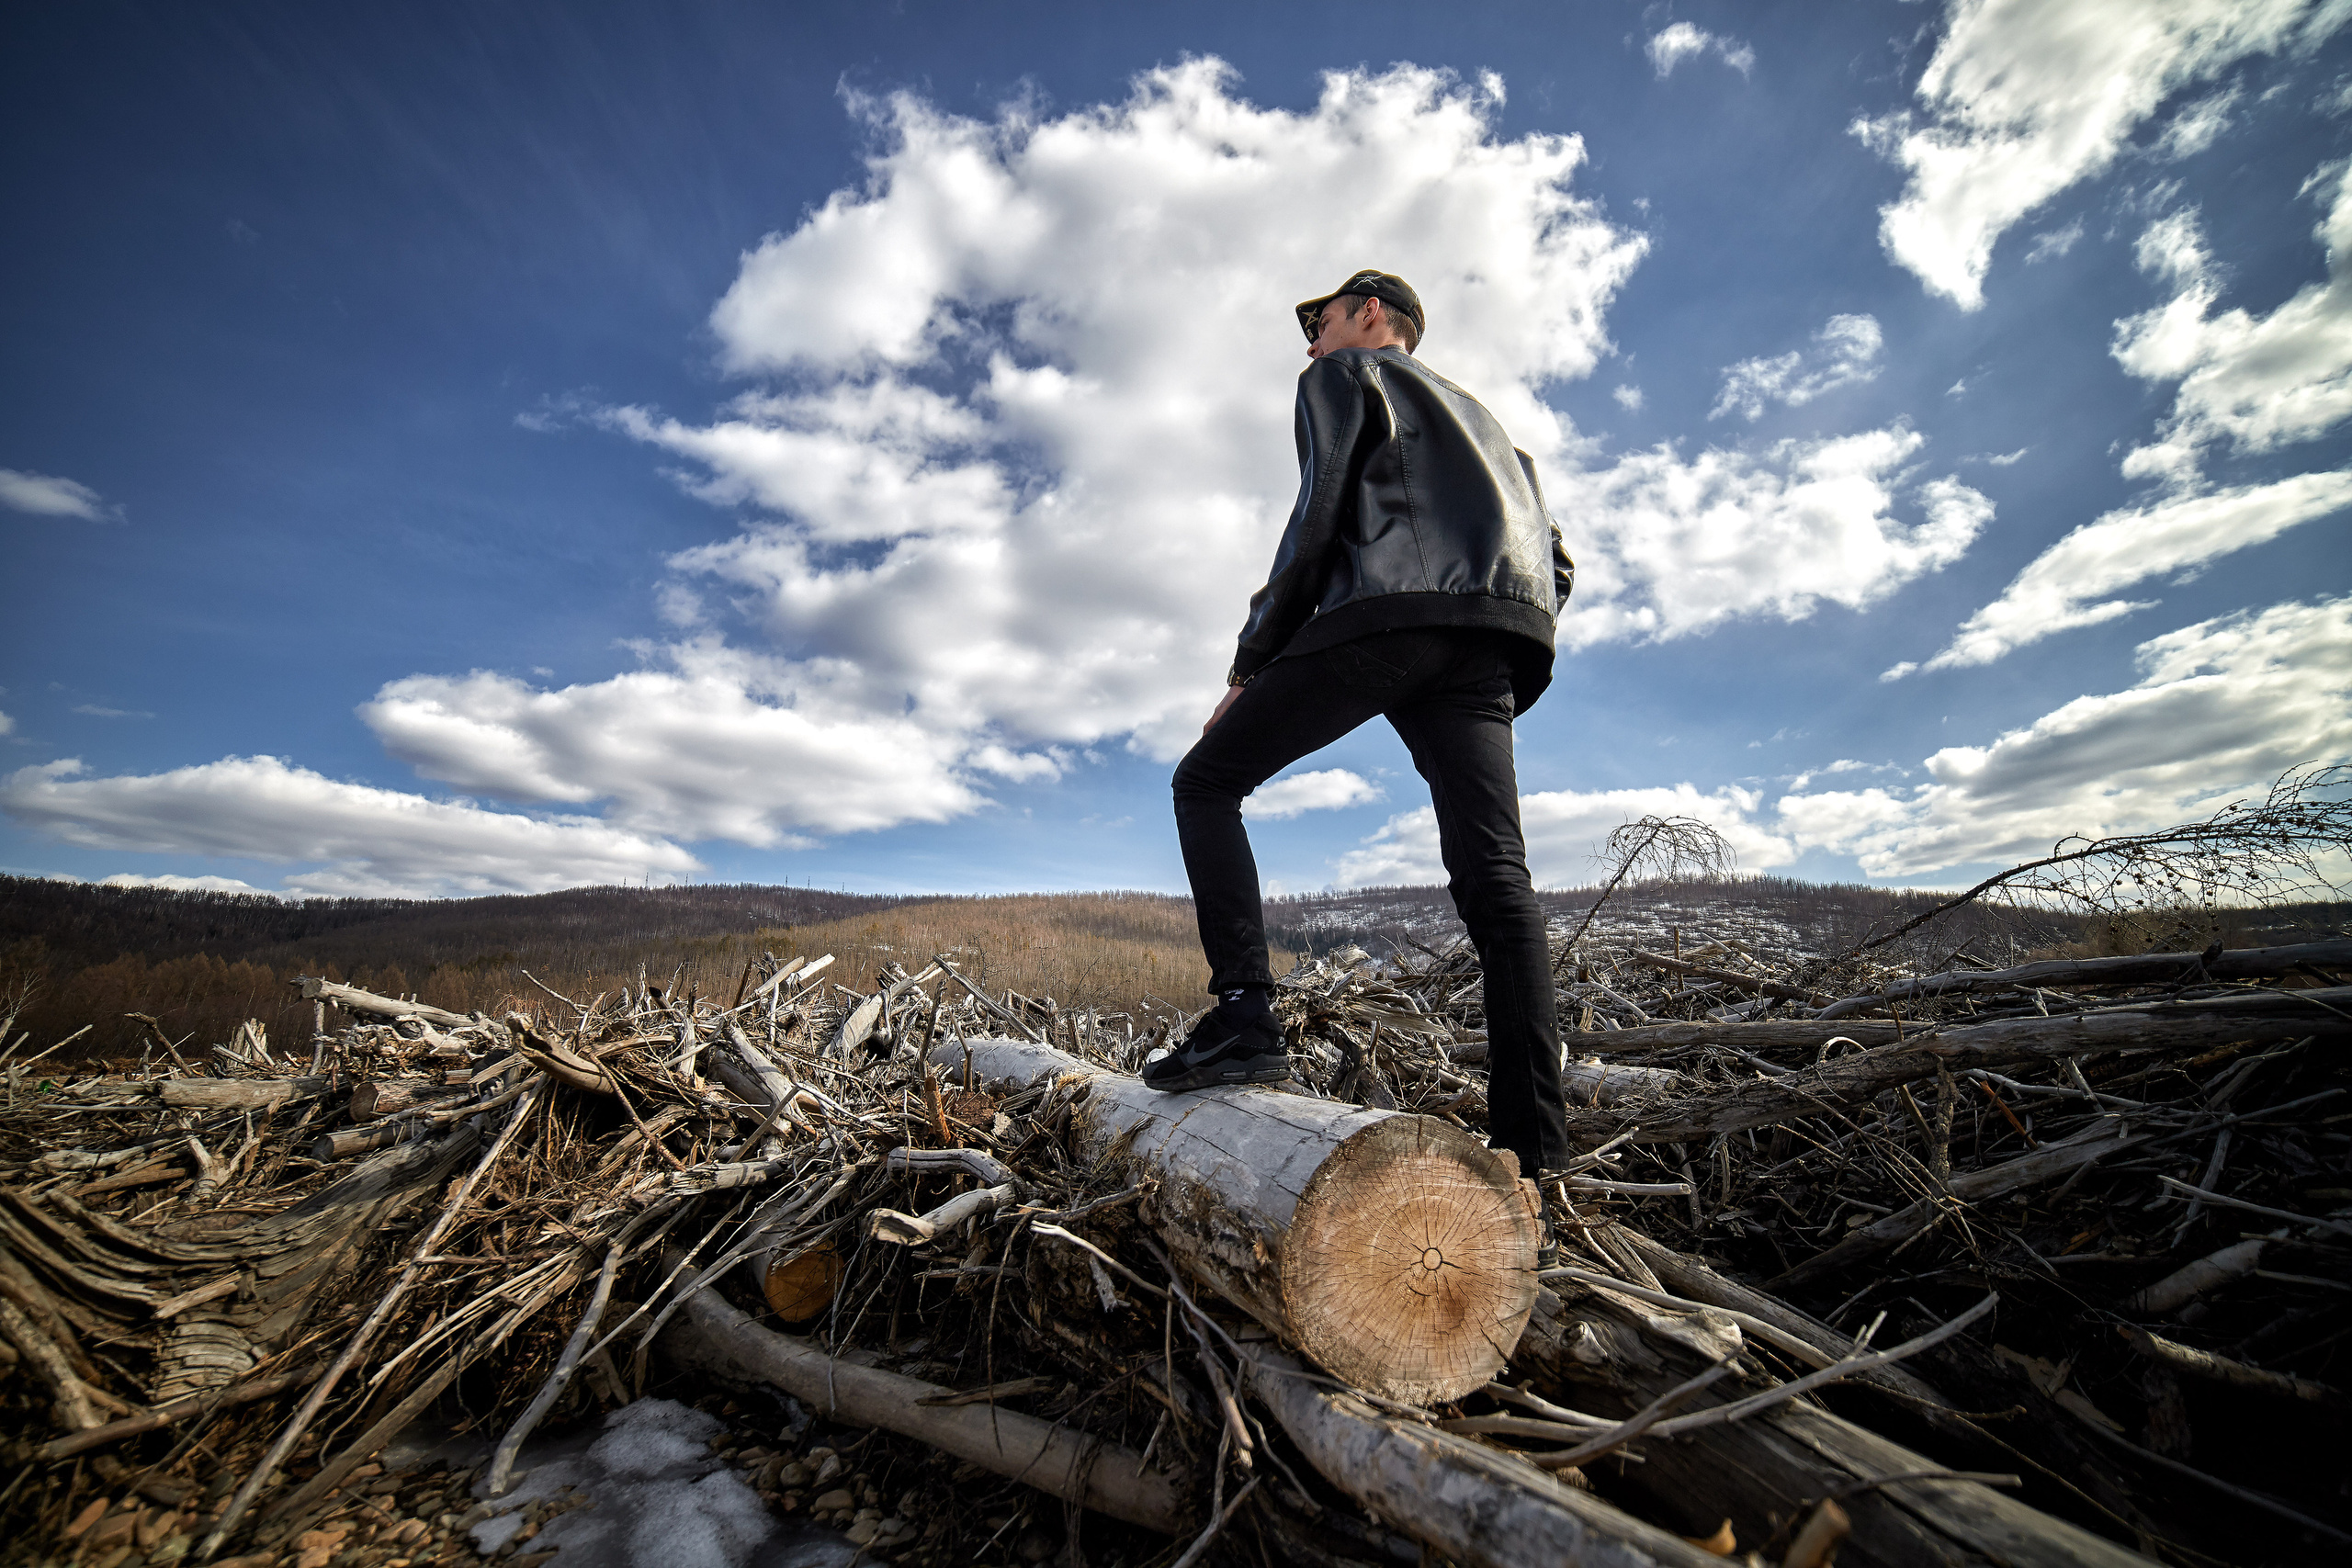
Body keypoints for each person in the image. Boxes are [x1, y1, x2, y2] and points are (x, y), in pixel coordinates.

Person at [1148, 268, 1577, 1212]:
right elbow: (1558, 562)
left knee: (1205, 782)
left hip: (1388, 620)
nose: (1310, 345)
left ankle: (1244, 1018)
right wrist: (1500, 636)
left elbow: (1319, 512)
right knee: (1498, 884)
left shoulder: (1348, 381)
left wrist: (1251, 662)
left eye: (1322, 322)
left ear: (1372, 317)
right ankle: (1534, 1159)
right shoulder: (1502, 438)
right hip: (1494, 642)